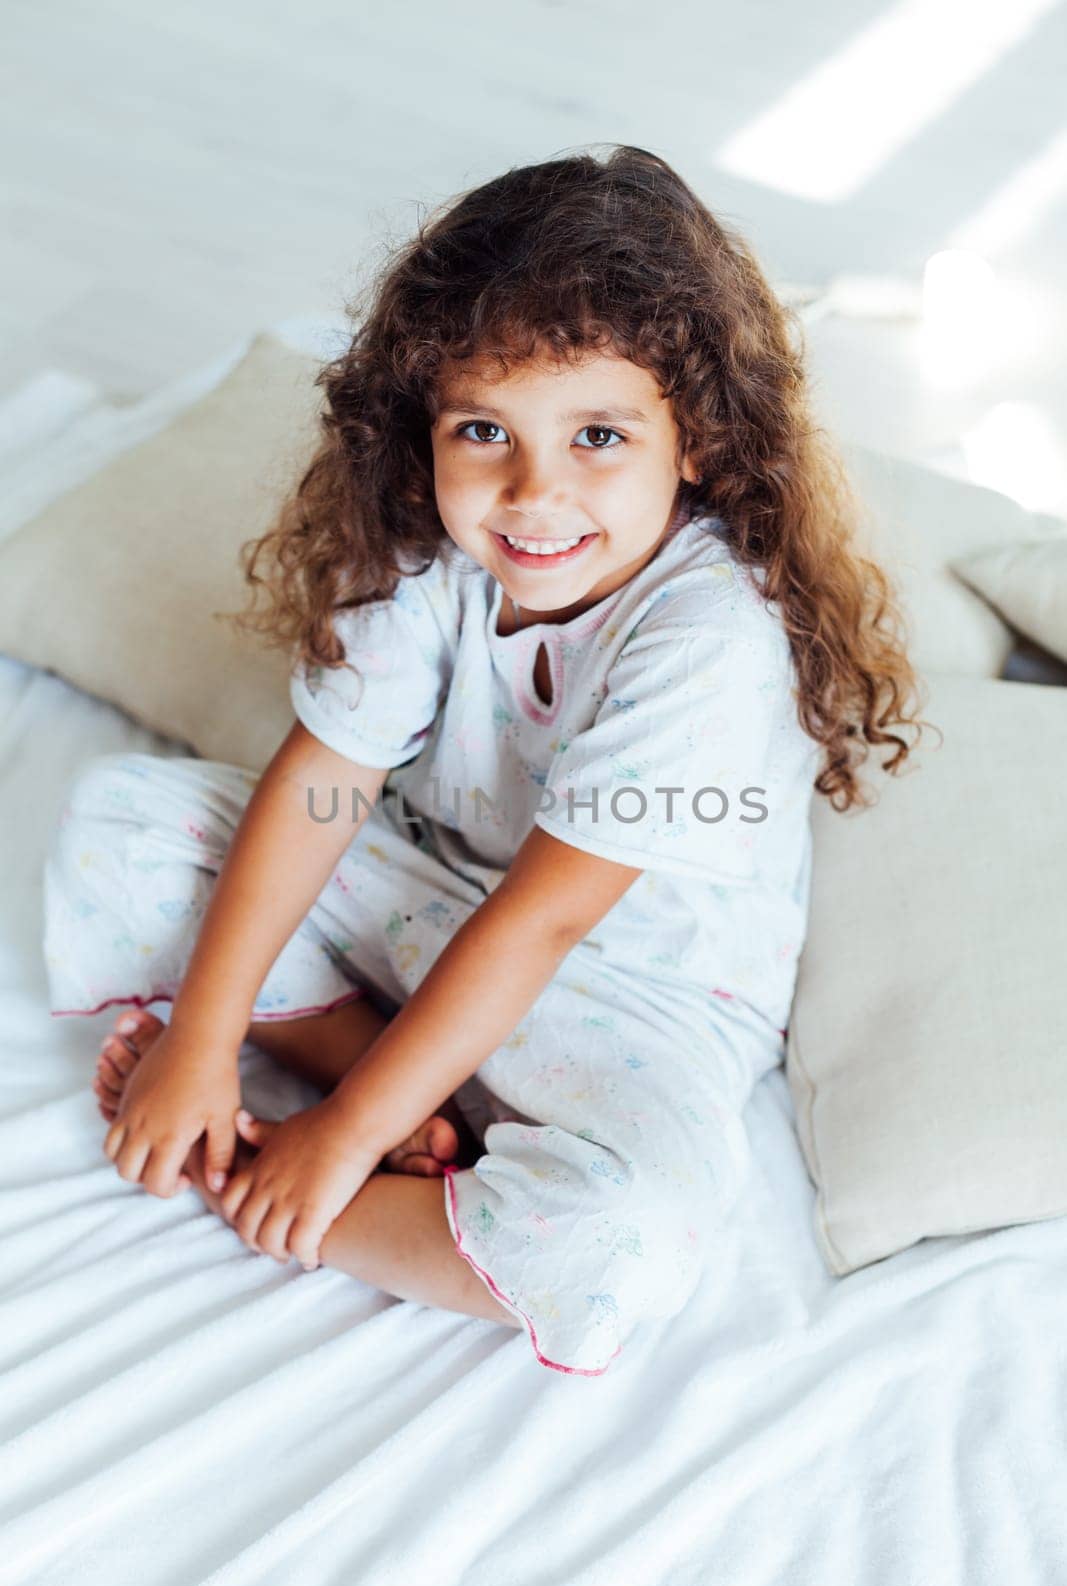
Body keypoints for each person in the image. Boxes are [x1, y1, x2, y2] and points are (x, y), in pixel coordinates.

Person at [42, 145, 928, 1378]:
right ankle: (431, 1110)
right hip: (433, 899)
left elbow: (543, 925)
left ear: (699, 443)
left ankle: (306, 1172)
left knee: (627, 1236)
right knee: (121, 823)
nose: (532, 494)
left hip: (635, 990)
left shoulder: (709, 634)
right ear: (424, 426)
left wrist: (340, 1139)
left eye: (598, 434)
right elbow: (323, 786)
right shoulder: (430, 555)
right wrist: (199, 1033)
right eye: (482, 430)